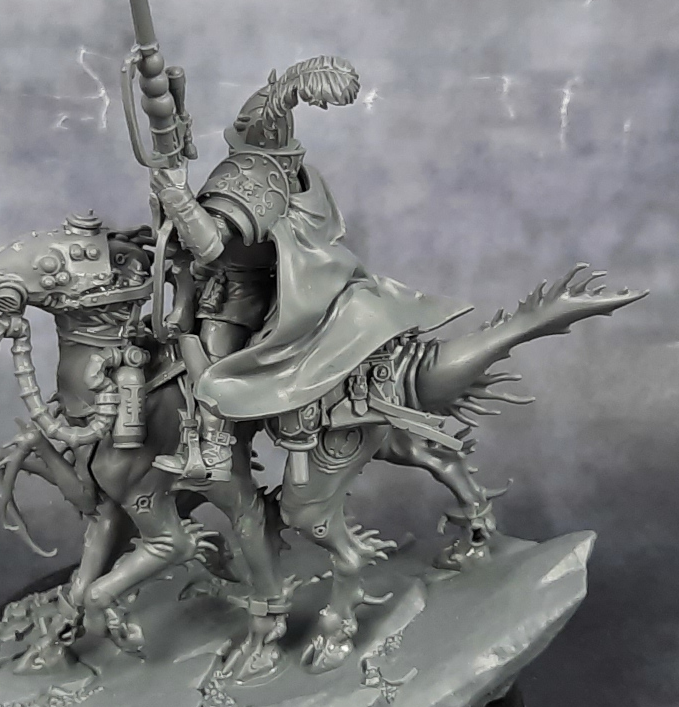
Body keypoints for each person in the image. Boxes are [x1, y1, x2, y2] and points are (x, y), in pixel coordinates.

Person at [150, 56, 467, 481]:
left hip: (237, 299)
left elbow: (208, 246)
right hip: (255, 287)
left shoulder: (252, 178)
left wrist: (179, 198)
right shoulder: (300, 174)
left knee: (211, 373)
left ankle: (213, 453)